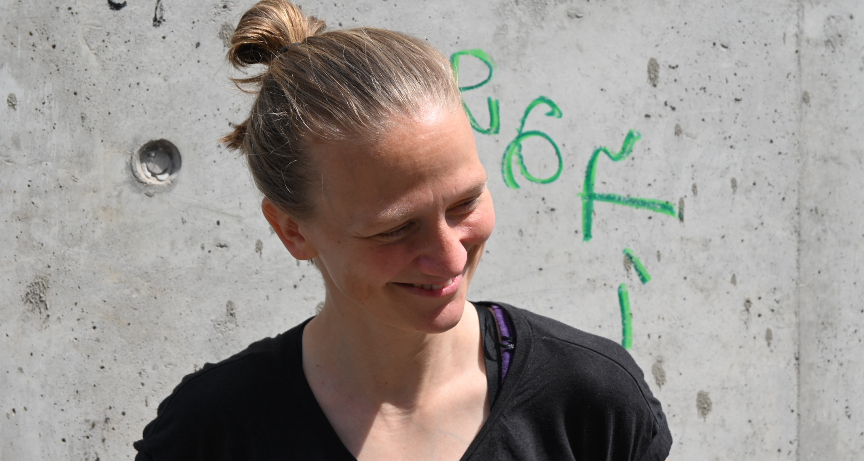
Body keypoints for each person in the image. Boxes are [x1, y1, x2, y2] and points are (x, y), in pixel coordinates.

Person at [133, 1, 673, 459]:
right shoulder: (213, 435)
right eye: (395, 229)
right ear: (292, 231)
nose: (449, 257)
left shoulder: (590, 402)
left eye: (465, 202)